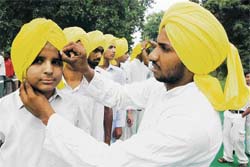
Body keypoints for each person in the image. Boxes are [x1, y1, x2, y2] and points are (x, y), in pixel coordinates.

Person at [21, 2, 249, 166]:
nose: (152, 56)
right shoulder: (166, 87)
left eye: (165, 48)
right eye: (156, 46)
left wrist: (48, 117)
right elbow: (120, 95)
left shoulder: (191, 123)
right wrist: (85, 68)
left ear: (192, 58)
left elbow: (110, 162)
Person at [0, 18, 89, 166]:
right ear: (23, 61)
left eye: (56, 62)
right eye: (38, 61)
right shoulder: (4, 108)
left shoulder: (74, 106)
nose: (49, 70)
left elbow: (84, 154)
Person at [217, 71, 250, 167]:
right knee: (226, 136)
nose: (248, 78)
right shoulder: (237, 87)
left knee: (237, 138)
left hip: (239, 115)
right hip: (228, 113)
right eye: (247, 76)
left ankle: (243, 161)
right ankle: (227, 157)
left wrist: (242, 116)